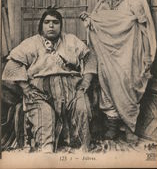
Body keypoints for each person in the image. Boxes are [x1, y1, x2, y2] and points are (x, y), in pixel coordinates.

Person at [80, 0, 156, 143]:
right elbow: (99, 23)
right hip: (107, 55)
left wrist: (147, 55)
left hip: (129, 53)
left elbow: (144, 27)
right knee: (107, 85)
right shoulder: (105, 1)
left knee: (127, 85)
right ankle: (112, 127)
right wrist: (89, 19)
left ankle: (130, 127)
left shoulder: (134, 1)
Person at [2, 8, 97, 153]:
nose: (51, 26)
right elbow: (13, 64)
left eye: (55, 22)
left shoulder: (71, 40)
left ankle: (80, 146)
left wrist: (86, 81)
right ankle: (47, 148)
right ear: (41, 25)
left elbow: (89, 58)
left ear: (61, 25)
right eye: (47, 22)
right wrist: (26, 88)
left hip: (71, 89)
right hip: (40, 93)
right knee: (44, 117)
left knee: (81, 110)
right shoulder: (31, 43)